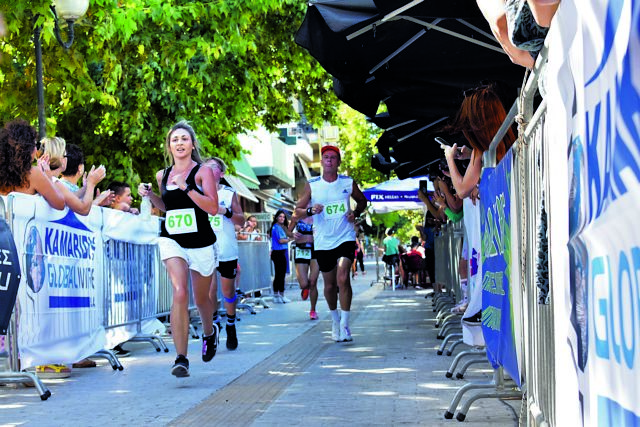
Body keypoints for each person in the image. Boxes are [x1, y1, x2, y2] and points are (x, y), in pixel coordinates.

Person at [137, 120, 219, 377]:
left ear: (192, 144)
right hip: (172, 238)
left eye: (184, 139)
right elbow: (167, 207)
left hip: (201, 241)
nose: (180, 143)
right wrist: (150, 196)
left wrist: (187, 188)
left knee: (202, 299)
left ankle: (209, 331)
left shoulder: (202, 172)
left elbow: (213, 207)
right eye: (175, 139)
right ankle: (181, 357)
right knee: (180, 291)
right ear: (169, 146)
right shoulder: (163, 174)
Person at [294, 145, 367, 342]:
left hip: (345, 236)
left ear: (338, 162)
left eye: (333, 158)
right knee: (329, 284)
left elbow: (362, 201)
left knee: (343, 276)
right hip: (323, 241)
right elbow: (297, 210)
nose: (329, 160)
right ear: (322, 162)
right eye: (326, 157)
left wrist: (356, 213)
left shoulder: (347, 182)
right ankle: (334, 320)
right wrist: (310, 211)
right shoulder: (313, 184)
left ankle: (345, 323)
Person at [204, 157, 245, 351]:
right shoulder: (197, 193)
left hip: (226, 248)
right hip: (205, 247)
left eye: (214, 168)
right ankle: (213, 325)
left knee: (227, 291)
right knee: (209, 291)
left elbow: (241, 221)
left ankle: (230, 323)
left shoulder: (229, 194)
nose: (210, 170)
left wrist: (225, 211)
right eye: (207, 167)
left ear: (221, 173)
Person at [0, 119, 65, 210]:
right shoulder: (34, 174)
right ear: (27, 149)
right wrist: (48, 177)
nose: (36, 150)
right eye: (36, 145)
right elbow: (60, 204)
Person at [41, 137, 107, 216]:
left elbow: (70, 198)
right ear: (61, 159)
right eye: (65, 155)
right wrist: (91, 184)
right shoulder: (54, 182)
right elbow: (83, 209)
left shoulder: (46, 178)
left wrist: (85, 188)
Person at [288, 206, 320, 320]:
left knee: (313, 282)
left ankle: (313, 309)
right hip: (301, 249)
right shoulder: (297, 215)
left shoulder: (318, 215)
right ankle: (305, 288)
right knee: (303, 284)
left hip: (316, 249)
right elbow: (288, 231)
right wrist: (292, 235)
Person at [268, 209, 292, 303]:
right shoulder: (276, 227)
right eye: (280, 216)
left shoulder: (280, 227)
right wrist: (289, 239)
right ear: (276, 217)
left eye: (283, 217)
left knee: (280, 275)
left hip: (281, 252)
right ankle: (279, 295)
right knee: (280, 275)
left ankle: (278, 295)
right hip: (278, 253)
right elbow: (281, 240)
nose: (282, 218)